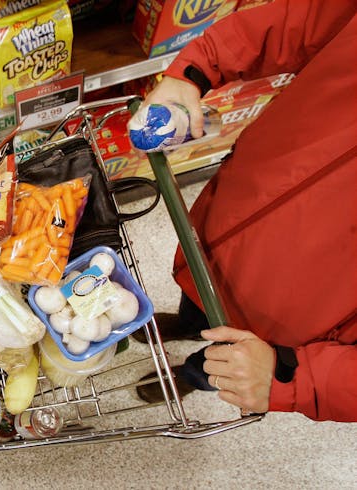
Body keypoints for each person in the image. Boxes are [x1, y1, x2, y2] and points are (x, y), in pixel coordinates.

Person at [132, 0, 357, 422]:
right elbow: (298, 23)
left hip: (299, 308)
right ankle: (186, 322)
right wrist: (195, 71)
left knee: (229, 359)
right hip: (239, 206)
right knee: (198, 287)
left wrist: (296, 379)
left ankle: (191, 376)